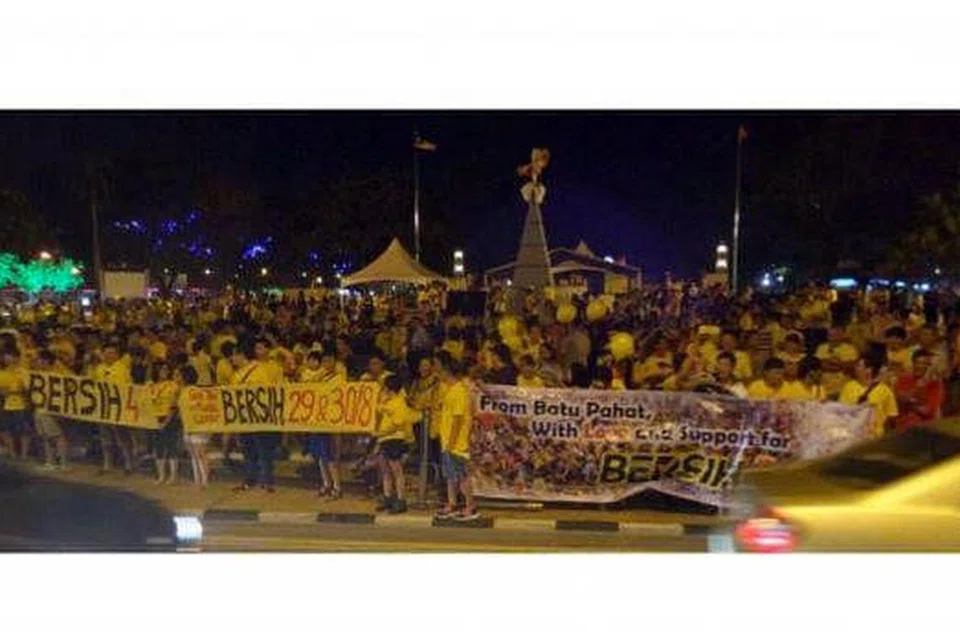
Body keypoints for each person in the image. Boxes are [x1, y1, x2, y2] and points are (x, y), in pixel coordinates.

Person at [231, 339, 279, 492]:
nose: (232, 359)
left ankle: (267, 481)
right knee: (248, 451)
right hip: (244, 419)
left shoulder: (259, 370)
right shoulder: (237, 374)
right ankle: (249, 480)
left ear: (241, 355)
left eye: (234, 355)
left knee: (263, 450)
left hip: (259, 419)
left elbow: (265, 393)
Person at [435, 353, 479, 521]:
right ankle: (452, 504)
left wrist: (452, 442)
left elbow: (458, 418)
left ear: (447, 372)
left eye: (441, 371)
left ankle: (470, 507)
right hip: (447, 440)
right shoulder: (450, 390)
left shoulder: (459, 391)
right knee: (450, 476)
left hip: (456, 442)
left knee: (462, 476)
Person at [374, 374, 421, 514]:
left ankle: (401, 500)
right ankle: (388, 497)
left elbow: (397, 425)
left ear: (389, 388)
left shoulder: (400, 403)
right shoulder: (388, 402)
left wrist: (380, 433)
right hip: (385, 440)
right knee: (385, 470)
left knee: (397, 471)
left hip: (394, 439)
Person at [301, 349, 343, 498]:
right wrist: (320, 374)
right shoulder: (317, 376)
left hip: (331, 423)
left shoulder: (338, 378)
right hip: (317, 421)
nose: (326, 364)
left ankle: (337, 486)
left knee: (331, 456)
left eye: (329, 361)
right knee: (320, 456)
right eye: (324, 361)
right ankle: (326, 484)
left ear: (335, 362)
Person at [91, 342, 135, 474]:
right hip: (103, 408)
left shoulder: (122, 369)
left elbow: (128, 388)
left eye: (112, 353)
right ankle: (107, 465)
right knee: (105, 439)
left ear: (117, 355)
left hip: (118, 409)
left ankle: (128, 465)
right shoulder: (98, 368)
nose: (109, 355)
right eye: (107, 353)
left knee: (122, 437)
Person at [839, 352, 899, 438]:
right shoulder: (848, 386)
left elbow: (892, 417)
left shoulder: (885, 390)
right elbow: (842, 412)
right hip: (854, 436)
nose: (855, 368)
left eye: (859, 366)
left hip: (876, 438)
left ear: (869, 370)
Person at [33, 349, 70, 470]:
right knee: (45, 436)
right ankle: (50, 461)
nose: (37, 362)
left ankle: (63, 462)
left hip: (52, 409)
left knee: (57, 435)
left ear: (46, 361)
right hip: (39, 408)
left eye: (39, 360)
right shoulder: (36, 374)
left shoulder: (58, 374)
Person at [894, 349, 944, 431]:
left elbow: (927, 411)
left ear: (929, 367)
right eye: (918, 363)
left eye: (925, 364)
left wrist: (908, 403)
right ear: (913, 363)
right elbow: (899, 399)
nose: (920, 366)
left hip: (925, 430)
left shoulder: (935, 384)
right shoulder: (903, 379)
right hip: (902, 429)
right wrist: (917, 391)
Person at [151, 361, 182, 484]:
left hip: (170, 418)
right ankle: (161, 475)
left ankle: (173, 476)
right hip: (155, 418)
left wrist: (166, 421)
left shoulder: (173, 385)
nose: (164, 372)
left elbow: (174, 406)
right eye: (161, 369)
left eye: (166, 369)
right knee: (158, 447)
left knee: (171, 446)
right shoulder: (152, 386)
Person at [0, 346, 30, 460]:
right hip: (6, 405)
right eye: (5, 356)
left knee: (23, 430)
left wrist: (15, 391)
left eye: (9, 356)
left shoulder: (23, 372)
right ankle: (12, 452)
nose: (6, 359)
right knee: (5, 429)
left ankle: (24, 454)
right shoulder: (3, 372)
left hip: (21, 405)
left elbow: (28, 388)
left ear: (17, 358)